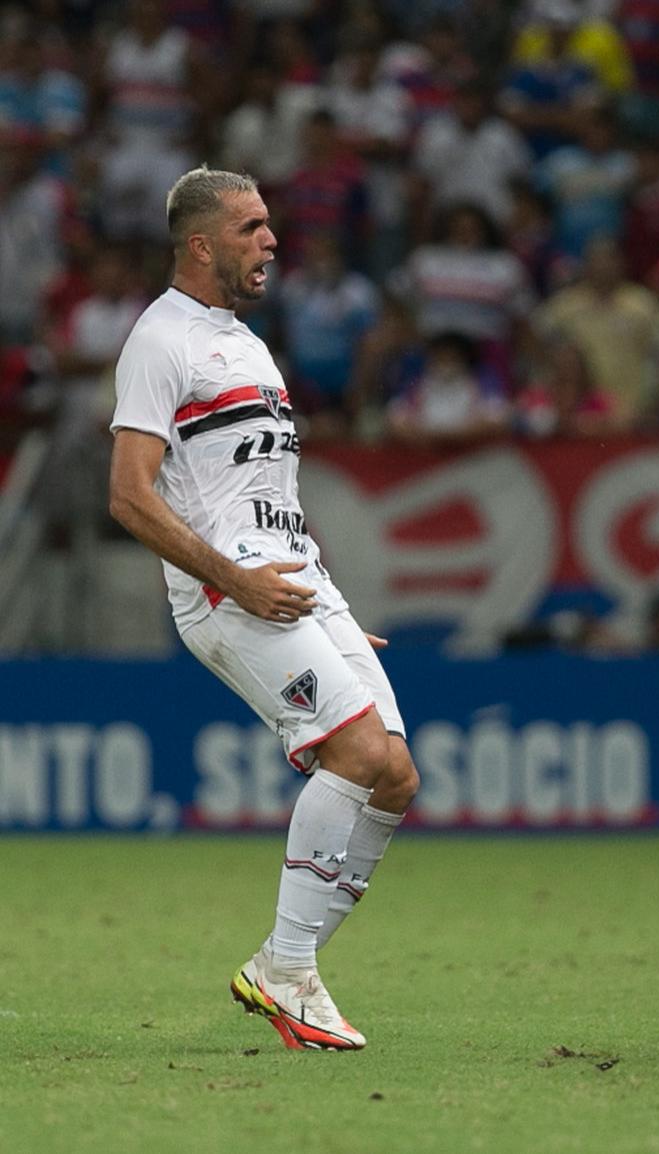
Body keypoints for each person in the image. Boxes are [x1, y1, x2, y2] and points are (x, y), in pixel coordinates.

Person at [107, 168, 419, 1051]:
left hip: (296, 583)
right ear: (201, 244)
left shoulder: (245, 343)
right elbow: (129, 497)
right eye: (251, 228)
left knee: (395, 775)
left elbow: (261, 493)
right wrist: (233, 580)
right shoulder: (161, 341)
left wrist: (329, 609)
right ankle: (285, 972)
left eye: (269, 226)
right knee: (356, 752)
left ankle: (285, 966)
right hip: (227, 591)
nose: (271, 242)